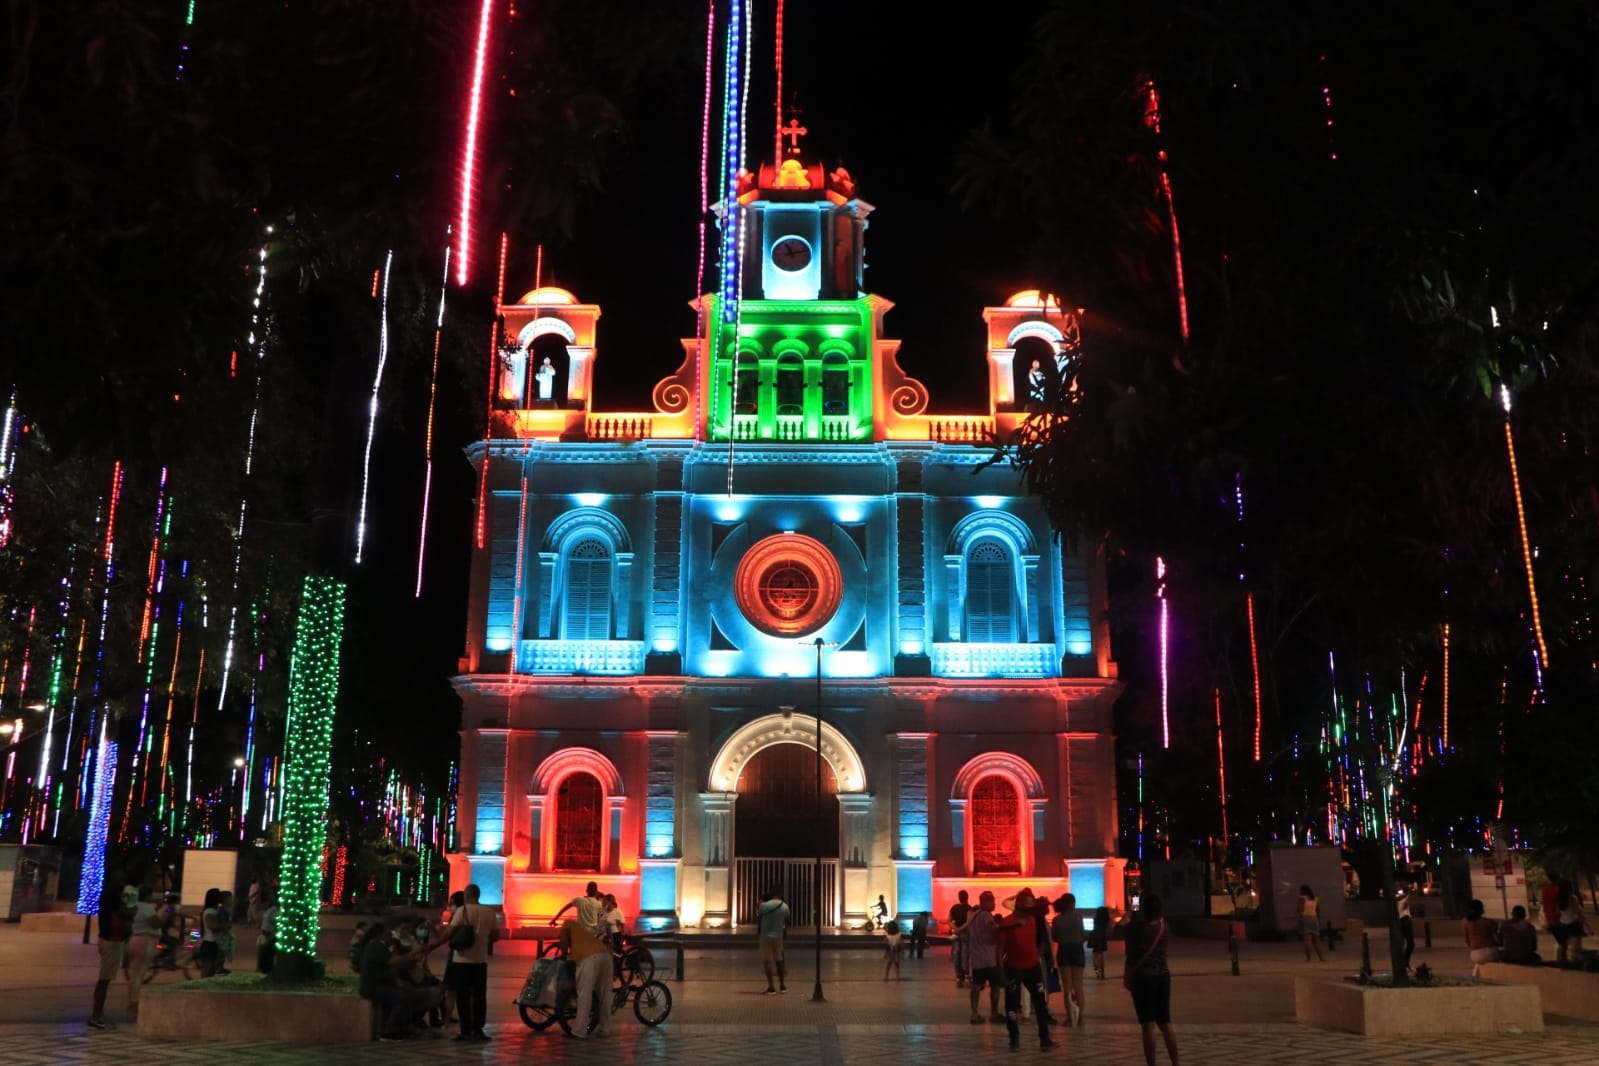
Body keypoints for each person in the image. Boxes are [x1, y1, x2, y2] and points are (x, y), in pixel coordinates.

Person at [432, 882, 497, 1042]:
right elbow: (496, 936)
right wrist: (481, 939)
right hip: (480, 961)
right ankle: (478, 1030)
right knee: (479, 996)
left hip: (461, 961)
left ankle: (465, 1031)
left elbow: (449, 932)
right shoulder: (490, 912)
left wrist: (433, 944)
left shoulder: (463, 910)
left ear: (468, 895)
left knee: (462, 996)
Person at [359, 920, 443, 1041]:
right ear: (380, 933)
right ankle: (390, 1031)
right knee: (404, 997)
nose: (391, 933)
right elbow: (395, 961)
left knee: (410, 993)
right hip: (374, 988)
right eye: (388, 931)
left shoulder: (377, 946)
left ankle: (406, 1026)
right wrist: (414, 953)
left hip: (379, 986)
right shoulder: (376, 946)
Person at [996, 888, 1054, 1050]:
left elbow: (1042, 939)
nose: (1030, 909)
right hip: (1013, 969)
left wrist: (1039, 954)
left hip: (1032, 968)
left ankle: (1045, 1039)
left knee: (1041, 1004)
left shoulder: (1034, 920)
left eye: (1032, 906)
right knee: (1011, 1006)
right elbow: (999, 949)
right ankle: (1014, 1040)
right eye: (1027, 906)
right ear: (1019, 905)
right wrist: (1000, 971)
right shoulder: (1007, 923)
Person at [1125, 894, 1178, 1066]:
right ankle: (1175, 1062)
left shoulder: (1137, 929)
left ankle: (1151, 1063)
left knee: (1148, 1025)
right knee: (1165, 1022)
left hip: (1143, 979)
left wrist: (1129, 914)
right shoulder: (1165, 928)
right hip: (1163, 977)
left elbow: (1130, 955)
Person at [88, 883, 134, 1030]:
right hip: (111, 943)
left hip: (108, 941)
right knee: (104, 980)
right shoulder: (115, 908)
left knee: (105, 979)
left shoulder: (107, 906)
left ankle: (97, 1015)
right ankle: (96, 1016)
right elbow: (129, 912)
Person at [560, 918, 615, 1038]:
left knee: (584, 995)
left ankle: (579, 1031)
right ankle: (604, 1030)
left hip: (589, 959)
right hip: (606, 957)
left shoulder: (566, 924)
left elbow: (563, 942)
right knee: (604, 996)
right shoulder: (582, 931)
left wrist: (562, 955)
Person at [961, 890, 1003, 1024]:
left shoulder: (973, 916)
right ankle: (994, 1013)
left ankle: (974, 1013)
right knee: (995, 986)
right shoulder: (987, 916)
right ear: (986, 902)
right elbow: (993, 932)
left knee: (976, 986)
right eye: (992, 901)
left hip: (977, 958)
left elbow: (967, 933)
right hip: (990, 958)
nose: (994, 904)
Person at [125, 885, 161, 1015]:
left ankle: (132, 1001)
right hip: (145, 941)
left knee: (135, 972)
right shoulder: (146, 908)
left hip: (133, 938)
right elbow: (156, 924)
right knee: (138, 974)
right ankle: (133, 1003)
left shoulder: (132, 907)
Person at [1052, 893, 1087, 1027]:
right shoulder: (1078, 918)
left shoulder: (1057, 919)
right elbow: (1083, 934)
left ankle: (1069, 1018)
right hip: (1078, 950)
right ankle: (1081, 1018)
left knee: (1067, 986)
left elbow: (1055, 937)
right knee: (1078, 985)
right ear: (1072, 904)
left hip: (1064, 950)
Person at [756, 887, 790, 995]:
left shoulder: (764, 905)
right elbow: (786, 917)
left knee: (767, 961)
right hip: (778, 935)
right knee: (779, 961)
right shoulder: (785, 906)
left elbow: (758, 913)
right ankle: (782, 985)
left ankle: (771, 987)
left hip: (765, 935)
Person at [1556, 880, 1592, 962]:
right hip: (1573, 924)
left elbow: (1557, 912)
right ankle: (1576, 963)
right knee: (1576, 948)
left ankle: (1561, 963)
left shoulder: (1558, 899)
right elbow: (1579, 914)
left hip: (1563, 924)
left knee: (1563, 946)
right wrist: (1588, 926)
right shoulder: (1572, 898)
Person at [1463, 898, 1501, 974]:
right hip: (1489, 953)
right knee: (1499, 954)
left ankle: (1476, 977)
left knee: (1479, 962)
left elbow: (1467, 940)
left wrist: (1474, 948)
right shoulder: (1489, 922)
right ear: (1481, 909)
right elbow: (1496, 939)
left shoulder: (1465, 922)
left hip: (1474, 955)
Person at [196, 888, 225, 977]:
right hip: (210, 943)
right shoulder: (209, 911)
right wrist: (224, 925)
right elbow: (211, 926)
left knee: (211, 969)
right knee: (207, 969)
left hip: (212, 942)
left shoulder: (213, 910)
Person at [949, 889, 972, 987]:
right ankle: (966, 975)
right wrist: (962, 928)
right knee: (965, 955)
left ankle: (959, 976)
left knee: (956, 955)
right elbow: (969, 921)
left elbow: (949, 920)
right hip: (966, 934)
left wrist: (956, 928)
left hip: (956, 934)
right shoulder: (969, 908)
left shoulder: (954, 908)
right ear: (967, 897)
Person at [1296, 884, 1324, 962]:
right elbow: (1318, 911)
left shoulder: (1302, 898)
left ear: (1303, 891)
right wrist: (1319, 921)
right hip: (1314, 919)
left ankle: (1308, 958)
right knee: (1316, 940)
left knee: (1307, 940)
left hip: (1305, 918)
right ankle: (1321, 958)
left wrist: (1298, 919)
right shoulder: (1315, 899)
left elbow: (1300, 910)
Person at [256, 891, 278, 974]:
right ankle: (262, 968)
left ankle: (267, 970)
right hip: (264, 933)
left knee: (268, 953)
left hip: (270, 933)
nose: (270, 897)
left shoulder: (276, 909)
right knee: (263, 952)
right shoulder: (269, 908)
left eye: (272, 895)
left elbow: (276, 925)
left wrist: (271, 936)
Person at [1395, 889, 1415, 971]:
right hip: (1404, 920)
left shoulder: (1401, 901)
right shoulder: (1401, 901)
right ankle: (1404, 964)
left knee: (1408, 943)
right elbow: (1409, 896)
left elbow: (1410, 896)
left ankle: (1404, 963)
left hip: (1402, 920)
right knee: (1409, 943)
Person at [1089, 906, 1111, 980]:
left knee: (1095, 953)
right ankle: (1100, 972)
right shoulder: (1106, 920)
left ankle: (1097, 969)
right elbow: (1109, 931)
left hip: (1094, 937)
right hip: (1101, 938)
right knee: (1100, 955)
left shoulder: (1095, 920)